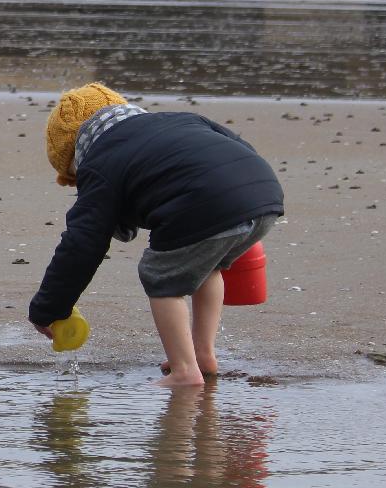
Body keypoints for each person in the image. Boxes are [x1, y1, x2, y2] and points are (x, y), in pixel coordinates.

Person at [29, 83, 285, 387]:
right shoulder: (181, 119)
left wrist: (49, 308)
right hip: (264, 194)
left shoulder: (100, 162)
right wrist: (241, 205)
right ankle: (203, 354)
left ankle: (184, 371)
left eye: (74, 175)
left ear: (77, 152)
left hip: (203, 204)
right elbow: (237, 151)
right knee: (207, 267)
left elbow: (82, 244)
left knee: (160, 276)